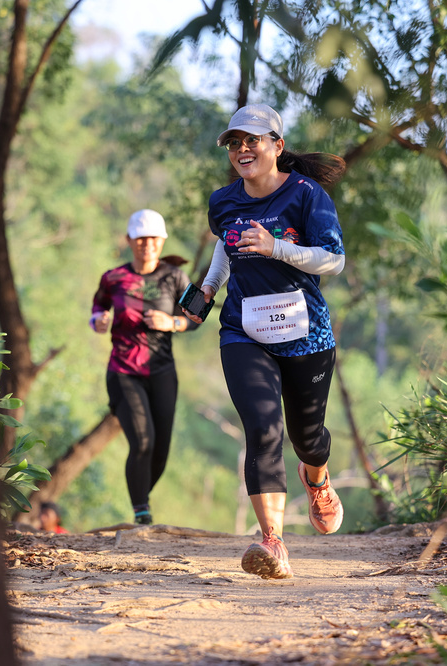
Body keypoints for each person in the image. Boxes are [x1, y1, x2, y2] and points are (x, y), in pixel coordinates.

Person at [184, 104, 347, 579]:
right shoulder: (223, 201)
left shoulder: (307, 195)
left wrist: (276, 247)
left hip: (306, 333)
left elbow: (334, 260)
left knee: (307, 438)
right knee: (263, 428)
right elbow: (226, 242)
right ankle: (273, 541)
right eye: (234, 142)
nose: (242, 149)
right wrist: (209, 287)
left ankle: (317, 478)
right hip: (244, 330)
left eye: (252, 140)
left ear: (277, 145)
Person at [91, 209, 198, 525]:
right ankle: (141, 513)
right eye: (140, 239)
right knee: (142, 441)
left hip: (162, 372)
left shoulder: (175, 277)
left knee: (160, 450)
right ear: (129, 240)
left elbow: (198, 314)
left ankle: (141, 495)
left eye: (153, 238)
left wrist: (172, 322)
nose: (147, 244)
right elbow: (98, 307)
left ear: (162, 241)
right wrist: (98, 321)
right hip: (124, 371)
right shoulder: (113, 278)